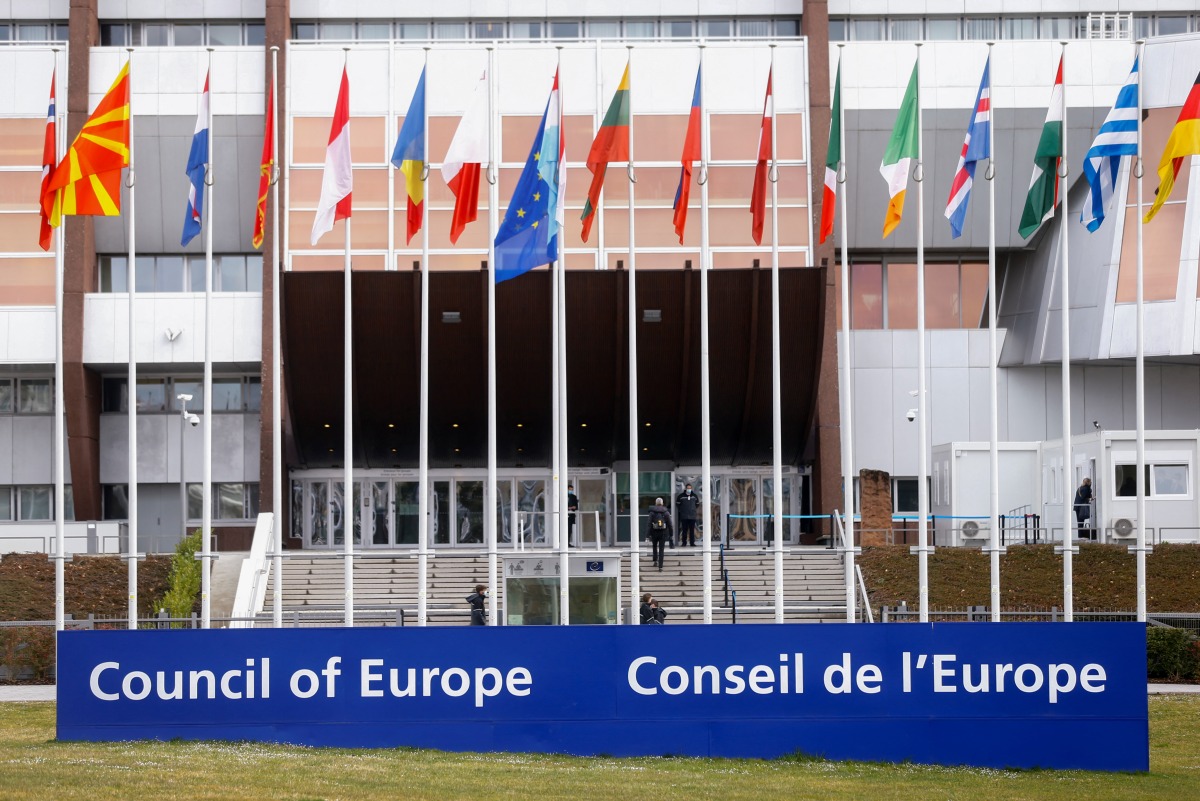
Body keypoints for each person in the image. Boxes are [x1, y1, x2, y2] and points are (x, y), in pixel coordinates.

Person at [647, 497, 672, 571]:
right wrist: (671, 534)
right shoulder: (666, 512)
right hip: (663, 532)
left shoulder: (652, 512)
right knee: (661, 549)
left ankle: (655, 560)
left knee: (654, 546)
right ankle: (660, 566)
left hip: (654, 532)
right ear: (662, 503)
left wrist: (647, 535)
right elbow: (670, 524)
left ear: (655, 503)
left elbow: (649, 524)